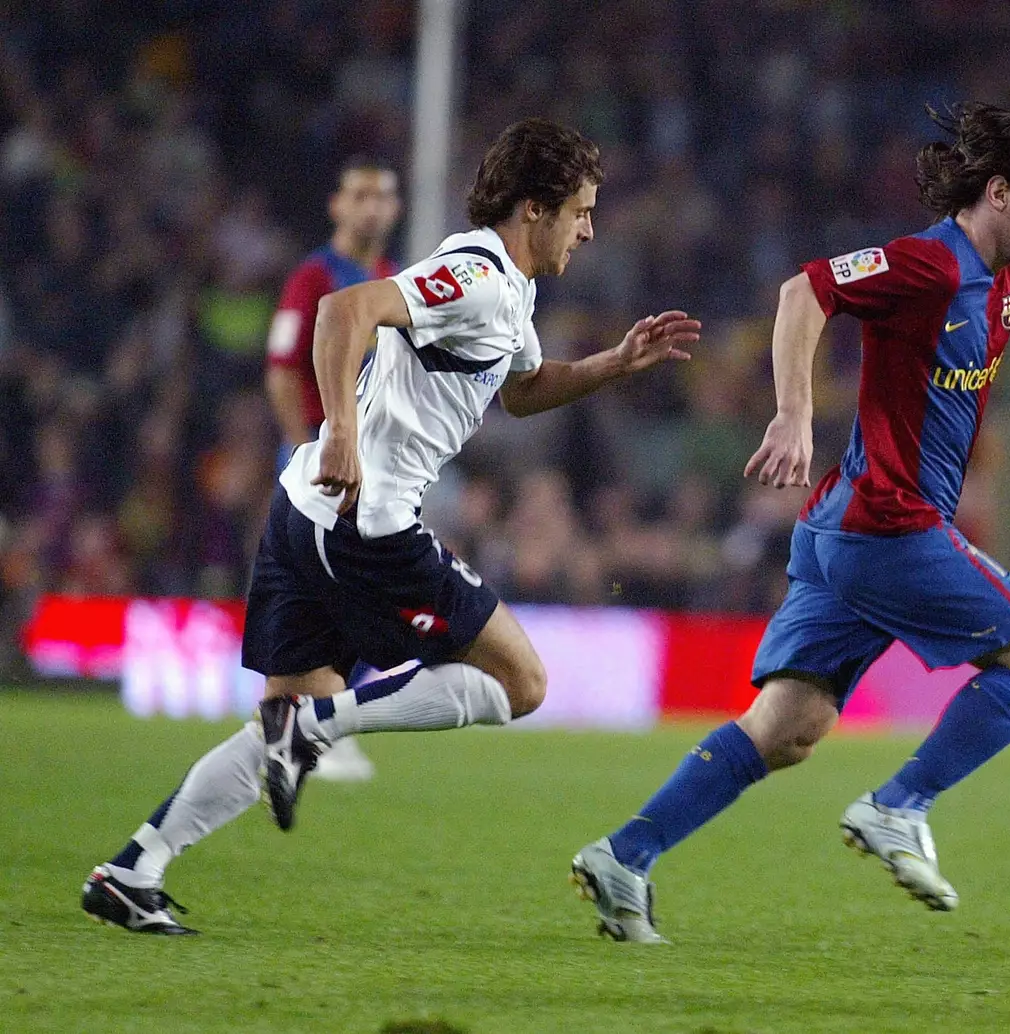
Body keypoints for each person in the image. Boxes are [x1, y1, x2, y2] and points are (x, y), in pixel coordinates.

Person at [570, 101, 1010, 943]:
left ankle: (626, 855)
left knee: (789, 728)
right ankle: (899, 806)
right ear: (1001, 192)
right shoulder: (926, 265)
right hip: (886, 526)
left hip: (840, 533)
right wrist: (793, 412)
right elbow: (805, 291)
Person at [82, 118, 701, 934]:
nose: (588, 229)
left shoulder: (509, 289)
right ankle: (321, 726)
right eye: (579, 211)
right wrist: (340, 427)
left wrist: (613, 364)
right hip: (362, 525)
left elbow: (521, 388)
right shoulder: (475, 275)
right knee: (522, 683)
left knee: (283, 715)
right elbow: (345, 311)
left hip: (300, 513)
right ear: (533, 208)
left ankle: (134, 869)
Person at [265, 155, 403, 783]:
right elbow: (281, 369)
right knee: (341, 591)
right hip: (324, 457)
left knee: (366, 594)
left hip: (377, 464)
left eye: (383, 196)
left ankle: (306, 721)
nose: (372, 206)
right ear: (337, 206)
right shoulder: (313, 278)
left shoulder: (391, 277)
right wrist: (303, 446)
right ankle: (312, 722)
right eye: (360, 195)